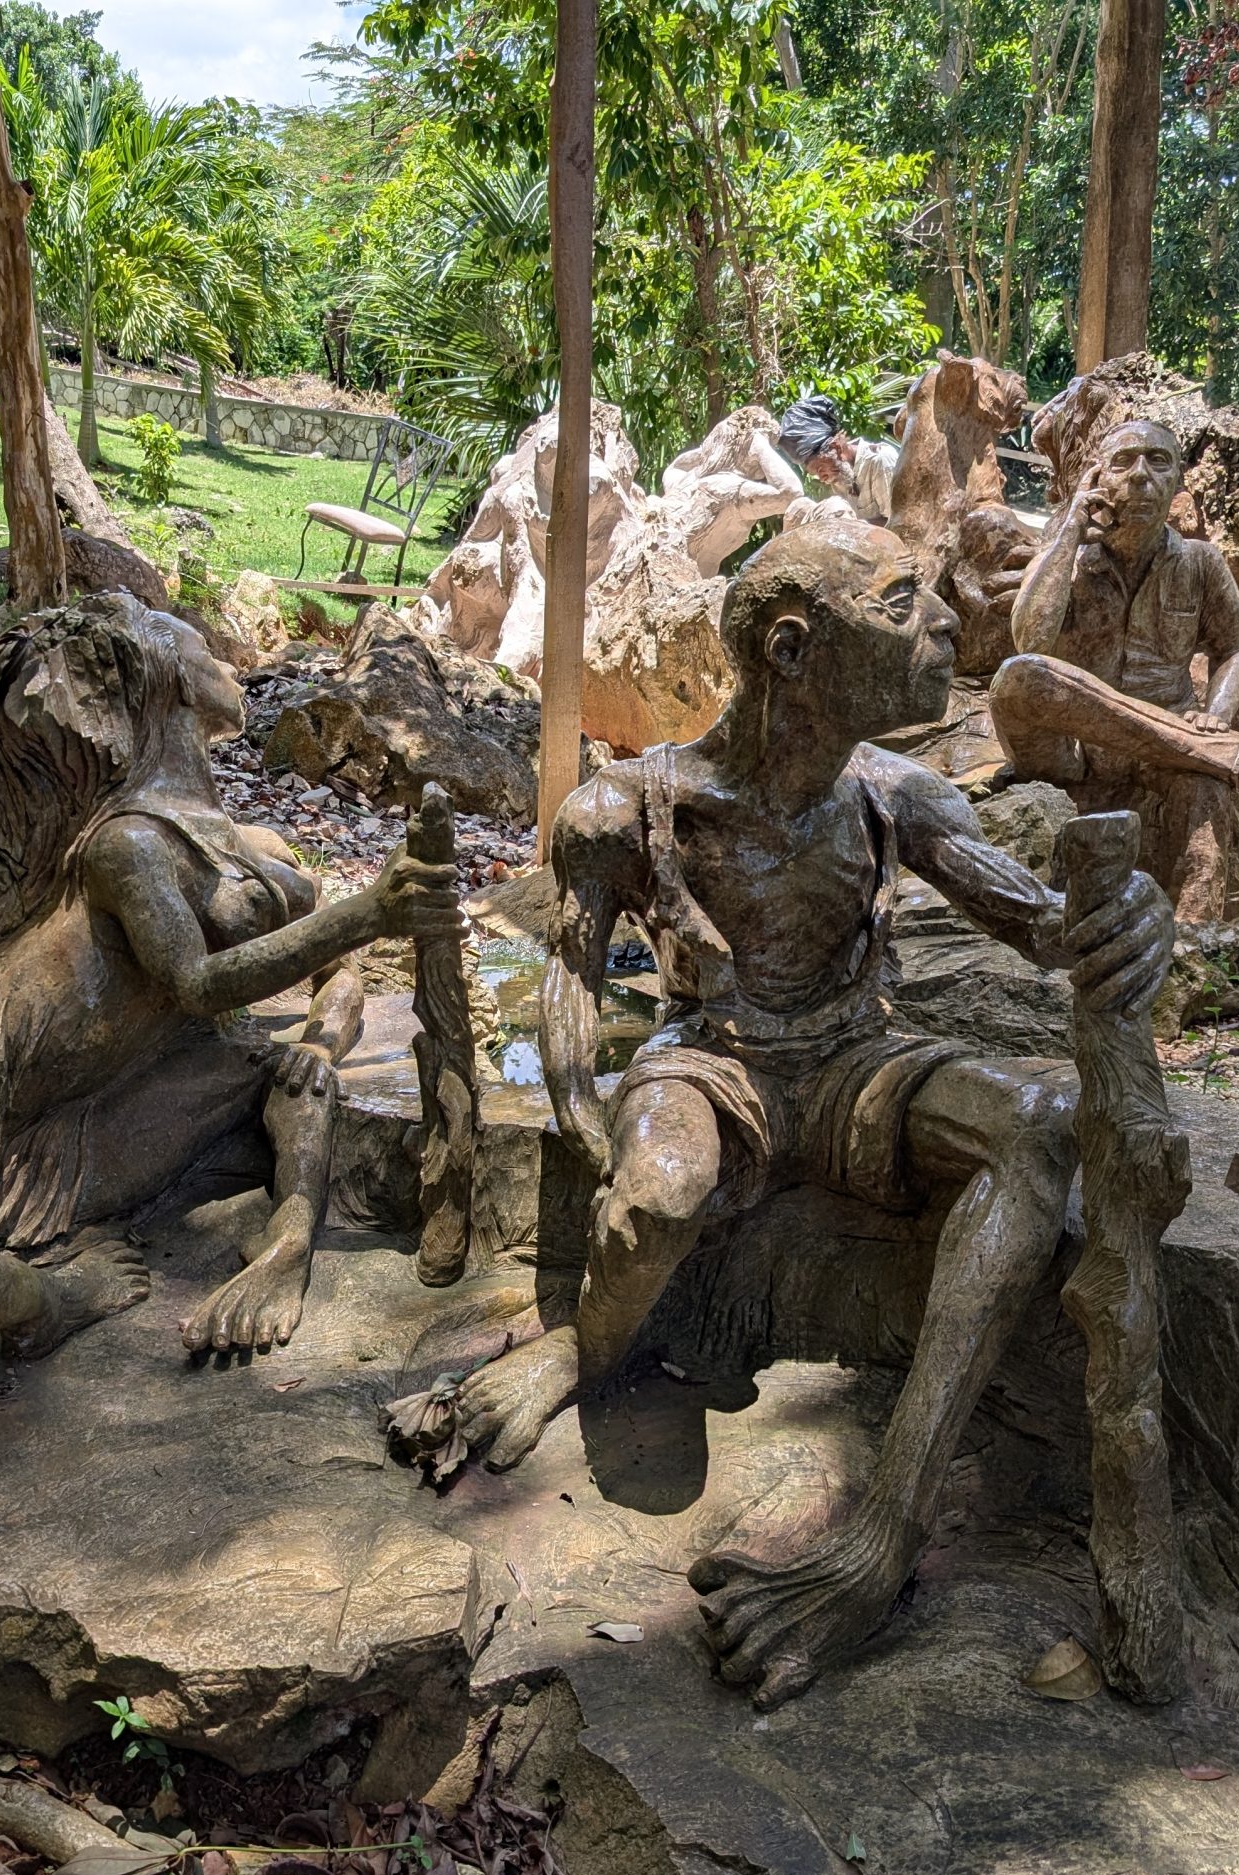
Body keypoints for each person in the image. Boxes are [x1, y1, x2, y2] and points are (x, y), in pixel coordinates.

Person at [448, 520, 1173, 1710]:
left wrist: (1120, 919)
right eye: (902, 606)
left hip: (853, 1063)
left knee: (1041, 1115)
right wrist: (597, 1136)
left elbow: (1040, 922)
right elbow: (571, 993)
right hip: (714, 1063)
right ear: (792, 648)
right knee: (658, 1200)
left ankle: (879, 1533)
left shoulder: (900, 793)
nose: (943, 625)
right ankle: (585, 1346)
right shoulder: (625, 807)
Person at [0, 595, 460, 1358]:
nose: (226, 662)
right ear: (167, 681)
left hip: (56, 1117)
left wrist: (322, 1043)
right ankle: (50, 1302)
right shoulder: (127, 844)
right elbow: (196, 983)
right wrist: (369, 911)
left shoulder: (249, 842)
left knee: (275, 1084)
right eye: (204, 648)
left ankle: (273, 1247)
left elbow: (339, 968)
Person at [991, 419, 1239, 917]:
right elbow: (1029, 642)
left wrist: (1217, 713)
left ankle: (1192, 942)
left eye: (1158, 462)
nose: (1140, 476)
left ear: (1178, 481)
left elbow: (1233, 650)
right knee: (1020, 676)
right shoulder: (1065, 554)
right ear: (1098, 480)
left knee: (1204, 798)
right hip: (1073, 749)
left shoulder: (1200, 561)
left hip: (1169, 748)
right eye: (1123, 461)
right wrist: (1070, 529)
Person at [774, 392, 894, 523]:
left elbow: (898, 525)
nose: (822, 478)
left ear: (836, 447)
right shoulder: (840, 475)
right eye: (816, 474)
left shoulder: (880, 461)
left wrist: (850, 527)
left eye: (820, 469)